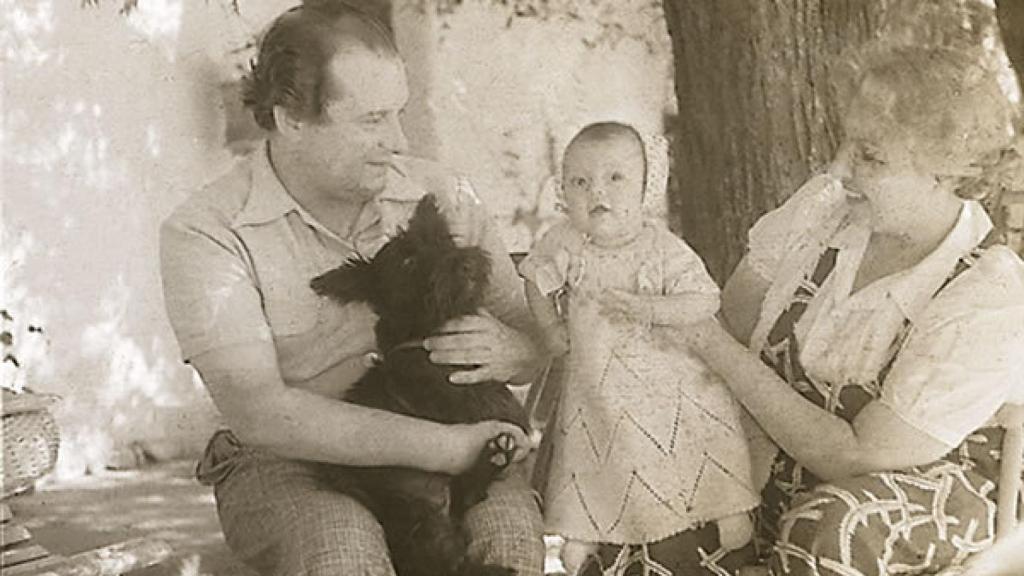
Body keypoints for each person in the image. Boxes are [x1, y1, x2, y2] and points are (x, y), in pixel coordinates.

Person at [158, 2, 545, 574]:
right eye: (371, 120)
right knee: (342, 548)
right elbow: (262, 414)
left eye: (399, 114)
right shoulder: (207, 232)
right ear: (290, 117)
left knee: (508, 538)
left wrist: (517, 350)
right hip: (289, 461)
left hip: (456, 422)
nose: (397, 140)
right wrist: (446, 449)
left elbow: (534, 340)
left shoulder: (441, 195)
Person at [683, 44, 1024, 574]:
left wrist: (714, 348)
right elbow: (732, 318)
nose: (839, 169)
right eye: (845, 142)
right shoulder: (822, 213)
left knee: (834, 528)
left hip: (912, 503)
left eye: (870, 155)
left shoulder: (988, 292)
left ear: (946, 171)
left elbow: (857, 453)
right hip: (776, 474)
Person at [520, 122, 761, 576]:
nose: (598, 193)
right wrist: (550, 327)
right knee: (596, 448)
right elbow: (534, 278)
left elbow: (705, 299)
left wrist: (652, 308)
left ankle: (723, 506)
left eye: (616, 178)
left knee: (695, 440)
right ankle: (586, 527)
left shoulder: (662, 247)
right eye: (580, 182)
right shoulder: (566, 243)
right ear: (563, 192)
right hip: (599, 380)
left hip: (669, 379)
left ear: (646, 188)